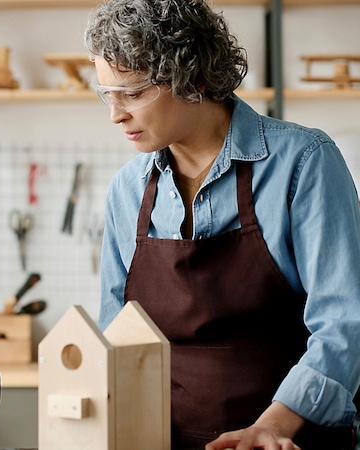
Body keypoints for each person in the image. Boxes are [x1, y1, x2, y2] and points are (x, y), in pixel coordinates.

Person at [85, 1, 360, 449]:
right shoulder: (128, 189)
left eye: (132, 93)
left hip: (289, 438)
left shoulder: (304, 163)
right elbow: (119, 339)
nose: (115, 114)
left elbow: (345, 322)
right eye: (106, 94)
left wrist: (272, 426)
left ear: (192, 78)